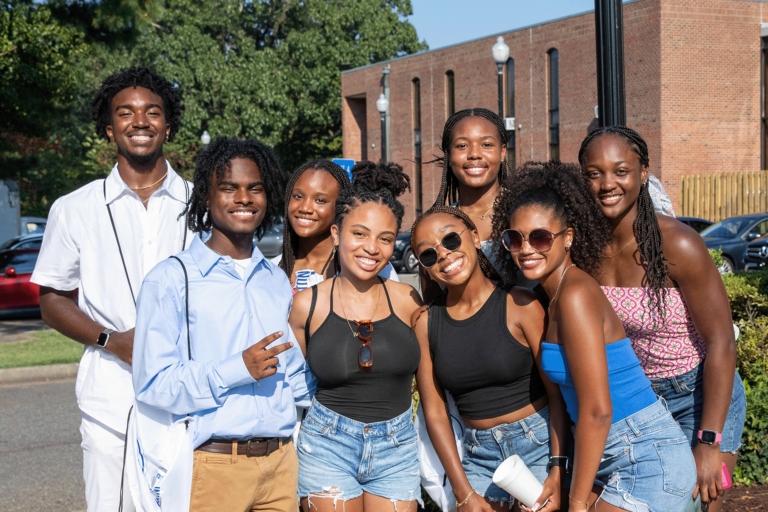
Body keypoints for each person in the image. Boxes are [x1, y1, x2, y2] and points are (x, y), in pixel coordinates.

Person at [492, 161, 696, 512]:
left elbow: (598, 411)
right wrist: (558, 472)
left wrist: (576, 503)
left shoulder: (575, 295)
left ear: (568, 237)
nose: (526, 249)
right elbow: (567, 402)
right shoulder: (554, 297)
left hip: (645, 455)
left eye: (540, 237)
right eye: (515, 238)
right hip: (611, 455)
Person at [30, 67, 190, 512]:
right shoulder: (73, 208)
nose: (140, 121)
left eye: (152, 112)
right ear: (108, 128)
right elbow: (52, 300)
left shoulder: (202, 205)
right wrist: (111, 340)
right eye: (125, 112)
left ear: (168, 125)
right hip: (110, 400)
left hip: (189, 397)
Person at [132, 137, 313, 510]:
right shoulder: (170, 279)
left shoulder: (276, 280)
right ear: (206, 196)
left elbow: (293, 376)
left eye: (255, 189)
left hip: (282, 464)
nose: (244, 198)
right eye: (229, 188)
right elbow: (152, 384)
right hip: (213, 465)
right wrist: (236, 369)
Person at [578, 127, 746, 512]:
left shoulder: (679, 243)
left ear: (642, 173)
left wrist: (709, 442)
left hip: (700, 395)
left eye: (621, 171)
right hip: (637, 400)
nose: (607, 184)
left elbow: (722, 341)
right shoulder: (583, 248)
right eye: (594, 173)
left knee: (692, 505)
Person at [410, 205, 568, 512]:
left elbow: (557, 393)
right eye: (428, 254)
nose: (443, 254)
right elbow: (435, 412)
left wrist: (558, 468)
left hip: (539, 446)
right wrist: (462, 492)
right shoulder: (425, 323)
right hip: (478, 456)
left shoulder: (521, 304)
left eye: (451, 240)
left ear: (474, 237)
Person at [288, 161, 423, 512]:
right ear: (336, 234)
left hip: (397, 447)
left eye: (385, 239)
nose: (372, 248)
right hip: (326, 445)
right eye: (359, 234)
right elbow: (292, 388)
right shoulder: (307, 305)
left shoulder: (408, 300)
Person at [275, 159, 397, 292]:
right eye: (298, 196)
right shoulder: (271, 269)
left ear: (340, 207)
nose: (305, 208)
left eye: (320, 200)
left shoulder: (369, 265)